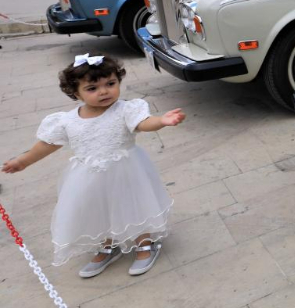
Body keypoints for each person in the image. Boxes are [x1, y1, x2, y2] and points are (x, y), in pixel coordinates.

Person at [1, 55, 185, 278]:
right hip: (87, 176)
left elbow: (143, 123)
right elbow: (47, 144)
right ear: (75, 93)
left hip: (125, 171)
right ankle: (108, 245)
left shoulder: (125, 110)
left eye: (110, 84)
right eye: (92, 88)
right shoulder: (66, 120)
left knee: (132, 206)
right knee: (97, 210)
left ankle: (145, 243)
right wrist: (23, 161)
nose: (104, 92)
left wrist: (161, 121)